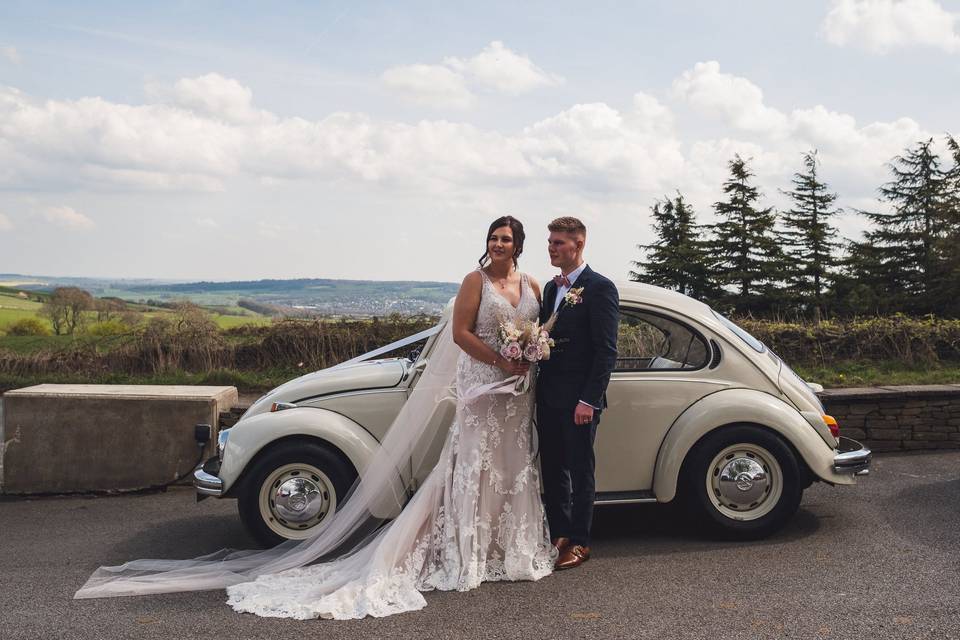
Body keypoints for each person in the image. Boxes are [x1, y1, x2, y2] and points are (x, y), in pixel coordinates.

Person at [74, 215, 556, 619]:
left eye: (506, 239)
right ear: (487, 243)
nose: (498, 244)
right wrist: (500, 360)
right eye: (493, 237)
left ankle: (506, 548)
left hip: (518, 393)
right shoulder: (475, 281)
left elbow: (538, 329)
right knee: (473, 466)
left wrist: (528, 354)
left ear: (518, 247)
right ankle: (469, 550)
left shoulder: (531, 283)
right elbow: (459, 334)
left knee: (513, 467)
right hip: (483, 386)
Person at [536, 216, 619, 570]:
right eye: (550, 242)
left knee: (580, 470)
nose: (551, 248)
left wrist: (589, 400)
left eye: (558, 242)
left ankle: (581, 541)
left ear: (578, 245)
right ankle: (560, 532)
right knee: (552, 468)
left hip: (579, 400)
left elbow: (606, 351)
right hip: (548, 394)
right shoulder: (551, 289)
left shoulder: (599, 287)